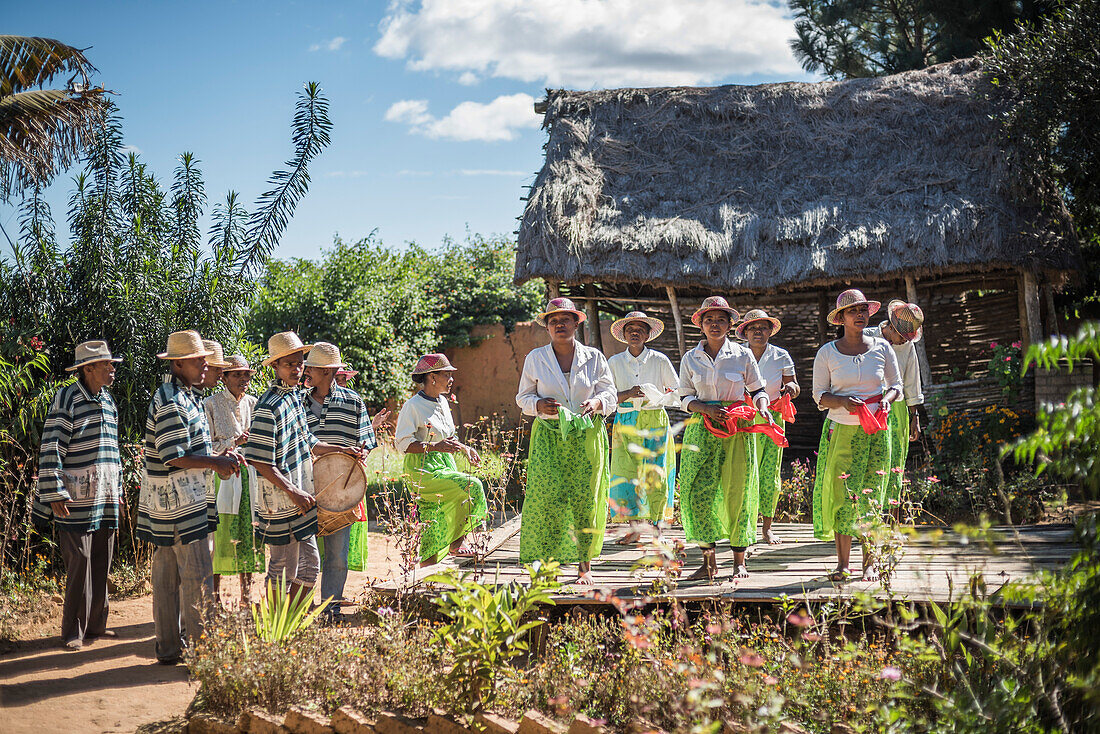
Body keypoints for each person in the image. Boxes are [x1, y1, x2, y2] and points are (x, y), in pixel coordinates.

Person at [138, 330, 243, 665]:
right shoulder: (172, 401)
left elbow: (190, 450)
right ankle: (202, 653)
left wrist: (219, 456)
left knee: (168, 577)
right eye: (199, 360)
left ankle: (169, 649)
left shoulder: (187, 396)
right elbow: (173, 455)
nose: (205, 365)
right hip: (181, 504)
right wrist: (216, 462)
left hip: (176, 501)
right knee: (195, 575)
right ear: (179, 363)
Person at [244, 331, 365, 607]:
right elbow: (260, 460)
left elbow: (307, 441)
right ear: (275, 366)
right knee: (281, 568)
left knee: (310, 565)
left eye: (300, 363)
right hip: (281, 500)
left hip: (301, 496)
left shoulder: (295, 398)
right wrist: (293, 491)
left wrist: (339, 449)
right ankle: (277, 628)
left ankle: (292, 623)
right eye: (289, 364)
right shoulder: (267, 406)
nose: (297, 369)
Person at [516, 297, 616, 584]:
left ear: (576, 323)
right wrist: (537, 405)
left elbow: (610, 393)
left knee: (586, 498)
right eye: (553, 321)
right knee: (546, 497)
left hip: (586, 435)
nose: (560, 325)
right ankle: (547, 565)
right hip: (549, 436)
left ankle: (584, 565)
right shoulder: (535, 358)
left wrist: (598, 403)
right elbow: (522, 397)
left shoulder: (594, 357)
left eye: (565, 320)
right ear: (547, 327)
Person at [32, 341, 124, 650]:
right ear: (88, 369)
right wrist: (54, 490)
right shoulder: (67, 398)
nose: (112, 369)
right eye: (107, 364)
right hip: (75, 499)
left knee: (102, 558)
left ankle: (96, 626)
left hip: (106, 496)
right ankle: (72, 630)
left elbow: (114, 450)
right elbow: (51, 445)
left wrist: (119, 489)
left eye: (112, 364)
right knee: (80, 560)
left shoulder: (108, 401)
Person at [678, 297, 774, 580]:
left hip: (737, 430)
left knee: (739, 491)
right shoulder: (690, 358)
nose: (715, 324)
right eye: (709, 320)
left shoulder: (742, 355)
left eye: (721, 320)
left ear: (731, 325)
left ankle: (739, 562)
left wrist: (763, 407)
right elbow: (683, 397)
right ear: (701, 326)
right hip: (701, 428)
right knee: (698, 492)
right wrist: (706, 408)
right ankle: (708, 562)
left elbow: (758, 390)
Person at [812, 289, 903, 582]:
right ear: (840, 318)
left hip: (876, 430)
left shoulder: (882, 348)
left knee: (872, 494)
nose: (860, 315)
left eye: (863, 310)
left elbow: (896, 385)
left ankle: (870, 563)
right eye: (853, 311)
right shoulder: (827, 352)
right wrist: (842, 402)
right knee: (844, 494)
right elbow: (819, 396)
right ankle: (842, 564)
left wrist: (887, 399)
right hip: (841, 430)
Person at [302, 342, 388, 617]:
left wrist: (359, 454)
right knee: (305, 557)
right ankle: (301, 612)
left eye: (311, 367)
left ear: (326, 371)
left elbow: (366, 441)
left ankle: (331, 609)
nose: (306, 371)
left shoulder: (353, 401)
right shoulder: (297, 402)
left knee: (337, 556)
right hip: (303, 489)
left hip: (341, 492)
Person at [395, 354, 488, 566]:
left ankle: (427, 578)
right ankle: (457, 544)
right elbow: (402, 444)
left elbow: (448, 437)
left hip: (445, 464)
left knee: (433, 520)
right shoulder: (413, 406)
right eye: (447, 374)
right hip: (422, 469)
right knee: (471, 486)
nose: (451, 379)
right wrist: (434, 447)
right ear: (432, 377)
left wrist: (465, 448)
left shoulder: (443, 402)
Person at [606, 311, 680, 544]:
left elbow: (677, 392)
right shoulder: (615, 363)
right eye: (630, 329)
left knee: (655, 473)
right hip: (625, 421)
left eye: (640, 329)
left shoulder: (659, 361)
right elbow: (607, 396)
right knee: (626, 474)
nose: (635, 333)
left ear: (648, 334)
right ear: (624, 335)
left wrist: (656, 396)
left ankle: (658, 531)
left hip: (654, 419)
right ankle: (636, 528)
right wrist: (628, 394)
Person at [203, 354, 264, 605]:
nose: (243, 379)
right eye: (237, 374)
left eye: (246, 374)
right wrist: (234, 443)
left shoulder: (255, 403)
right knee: (221, 535)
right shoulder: (211, 404)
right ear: (224, 377)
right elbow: (206, 445)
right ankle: (215, 597)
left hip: (250, 476)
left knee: (248, 534)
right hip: (223, 478)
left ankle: (246, 597)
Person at [735, 309, 799, 545]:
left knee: (770, 472)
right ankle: (745, 526)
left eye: (762, 327)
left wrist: (792, 388)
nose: (758, 332)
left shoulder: (781, 355)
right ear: (745, 333)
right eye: (752, 328)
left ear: (770, 330)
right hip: (744, 418)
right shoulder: (737, 355)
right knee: (744, 471)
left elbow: (793, 383)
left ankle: (766, 528)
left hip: (772, 417)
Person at [865, 300, 925, 521]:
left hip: (897, 409)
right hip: (870, 406)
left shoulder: (907, 346)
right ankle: (869, 517)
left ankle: (891, 520)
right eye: (901, 335)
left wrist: (914, 417)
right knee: (873, 458)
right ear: (890, 326)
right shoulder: (867, 337)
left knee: (895, 461)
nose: (903, 341)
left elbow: (911, 382)